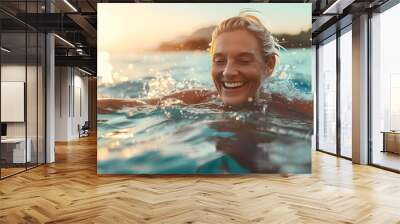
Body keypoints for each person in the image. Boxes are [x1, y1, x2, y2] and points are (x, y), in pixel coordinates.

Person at [98, 13, 312, 119]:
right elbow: (130, 105)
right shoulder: (194, 100)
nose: (228, 72)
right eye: (219, 60)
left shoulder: (293, 109)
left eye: (244, 60)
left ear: (269, 65)